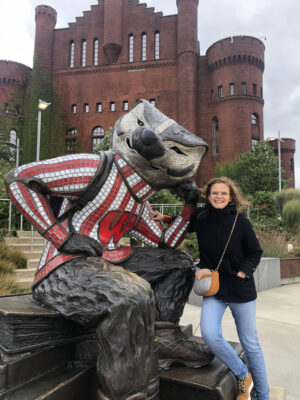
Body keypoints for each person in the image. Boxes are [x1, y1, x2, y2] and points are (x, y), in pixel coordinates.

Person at [150, 177, 269, 400]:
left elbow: (255, 252)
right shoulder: (202, 217)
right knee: (210, 336)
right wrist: (163, 217)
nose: (219, 197)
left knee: (250, 345)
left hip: (240, 290)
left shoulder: (240, 222)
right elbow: (182, 222)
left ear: (231, 196)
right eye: (215, 193)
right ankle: (243, 374)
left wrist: (243, 272)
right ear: (208, 195)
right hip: (215, 290)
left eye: (224, 193)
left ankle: (263, 396)